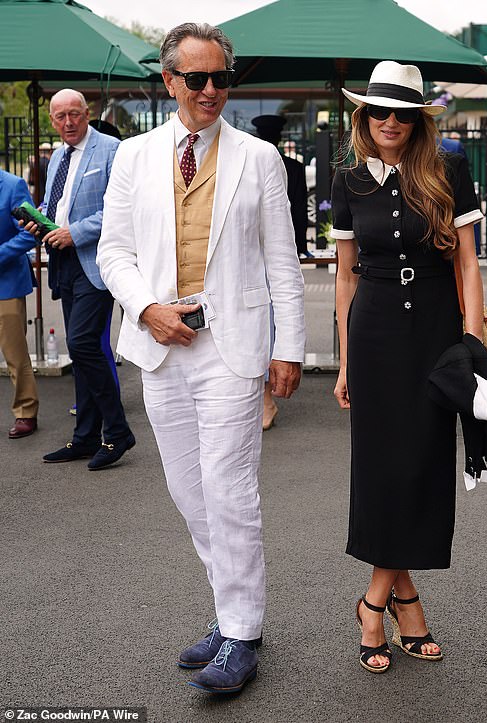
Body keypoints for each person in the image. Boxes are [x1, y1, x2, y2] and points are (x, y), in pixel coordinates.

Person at [96, 23, 305, 695]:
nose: (212, 89)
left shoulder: (259, 158)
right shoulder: (133, 157)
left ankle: (242, 630)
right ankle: (230, 607)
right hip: (160, 346)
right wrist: (147, 309)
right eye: (198, 78)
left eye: (221, 78)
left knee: (230, 489)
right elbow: (114, 253)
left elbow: (283, 262)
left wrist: (289, 347)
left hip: (232, 346)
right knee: (189, 492)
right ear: (170, 81)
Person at [331, 61, 484, 673]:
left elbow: (469, 265)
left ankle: (376, 599)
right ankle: (405, 601)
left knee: (422, 462)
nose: (390, 122)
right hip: (372, 334)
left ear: (418, 119)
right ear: (363, 116)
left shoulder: (450, 168)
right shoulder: (347, 177)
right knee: (378, 465)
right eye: (378, 111)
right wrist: (343, 361)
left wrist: (471, 345)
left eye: (402, 113)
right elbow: (344, 275)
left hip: (435, 333)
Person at [22, 89, 134, 470]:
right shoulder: (56, 158)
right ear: (52, 120)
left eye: (74, 114)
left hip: (97, 261)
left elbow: (121, 209)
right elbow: (57, 206)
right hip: (64, 262)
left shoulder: (112, 150)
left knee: (86, 344)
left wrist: (75, 232)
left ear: (87, 114)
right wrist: (36, 217)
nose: (68, 122)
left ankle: (117, 432)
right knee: (79, 348)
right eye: (60, 117)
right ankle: (85, 438)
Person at [252, 113, 309, 430]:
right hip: (269, 252)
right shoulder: (294, 166)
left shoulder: (258, 160)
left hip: (266, 253)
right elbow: (299, 211)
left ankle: (264, 397)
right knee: (268, 318)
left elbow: (292, 209)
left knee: (267, 319)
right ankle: (263, 395)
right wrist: (299, 246)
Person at [0, 170, 38, 439]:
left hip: (7, 285)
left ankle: (26, 411)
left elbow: (30, 234)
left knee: (15, 354)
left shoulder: (13, 186)